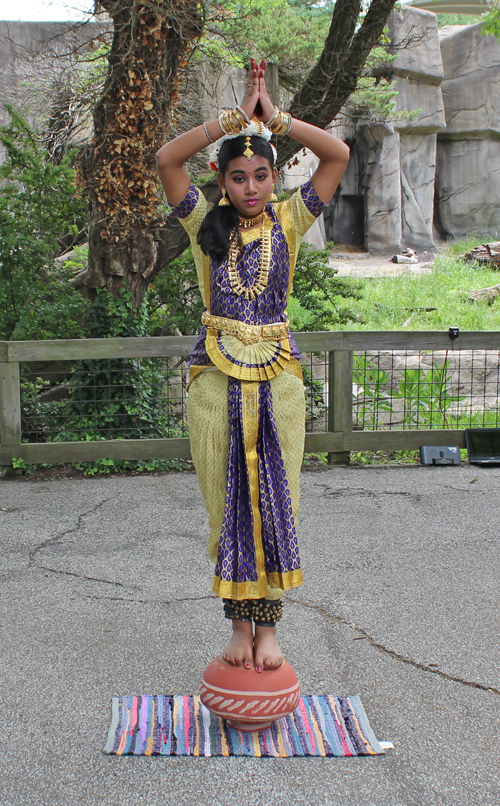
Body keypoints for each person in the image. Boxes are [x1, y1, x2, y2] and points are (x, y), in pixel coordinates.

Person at [156, 57, 349, 674]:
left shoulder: (290, 222)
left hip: (278, 385)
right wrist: (233, 120)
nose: (251, 188)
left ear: (274, 178)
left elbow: (337, 154)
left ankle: (270, 633)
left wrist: (280, 119)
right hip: (214, 386)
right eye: (238, 178)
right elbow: (167, 160)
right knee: (229, 506)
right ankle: (238, 626)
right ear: (221, 179)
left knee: (275, 502)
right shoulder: (199, 223)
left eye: (261, 175)